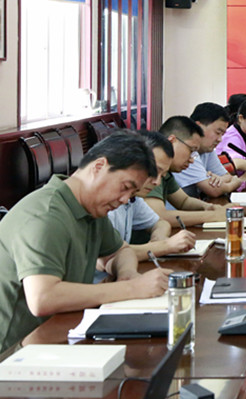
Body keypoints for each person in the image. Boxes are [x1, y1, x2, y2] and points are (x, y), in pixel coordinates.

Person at [0, 131, 171, 353]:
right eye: (125, 187)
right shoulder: (46, 215)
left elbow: (121, 251)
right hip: (12, 354)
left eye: (132, 193)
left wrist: (127, 272)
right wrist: (132, 288)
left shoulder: (90, 209)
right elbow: (43, 298)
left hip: (55, 335)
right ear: (98, 167)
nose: (124, 200)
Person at [97, 131, 196, 282]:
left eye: (162, 176)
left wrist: (159, 240)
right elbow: (109, 255)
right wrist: (165, 246)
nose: (156, 182)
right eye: (153, 171)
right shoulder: (102, 203)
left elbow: (160, 222)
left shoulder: (132, 198)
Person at [145, 116, 231, 227]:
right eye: (191, 150)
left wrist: (209, 207)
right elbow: (159, 216)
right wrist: (214, 216)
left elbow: (184, 201)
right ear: (172, 141)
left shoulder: (166, 172)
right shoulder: (151, 168)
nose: (191, 159)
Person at [173, 102, 242, 198]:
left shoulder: (207, 149)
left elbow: (227, 176)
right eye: (218, 132)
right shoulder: (185, 152)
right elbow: (214, 191)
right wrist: (236, 181)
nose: (220, 139)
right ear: (198, 127)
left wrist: (222, 180)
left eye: (222, 134)